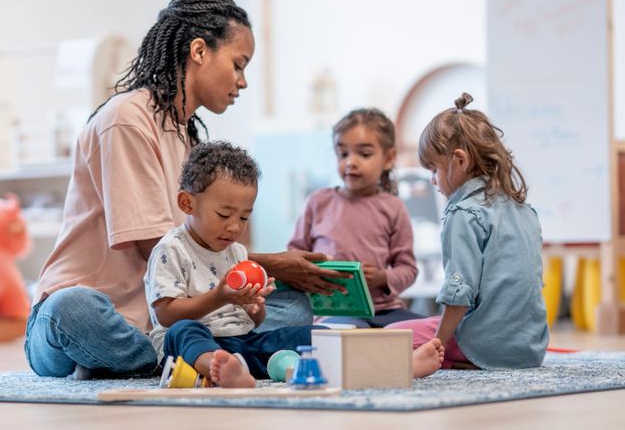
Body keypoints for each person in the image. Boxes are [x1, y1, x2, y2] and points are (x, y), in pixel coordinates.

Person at [24, 0, 348, 380]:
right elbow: (157, 247)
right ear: (199, 51)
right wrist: (269, 262)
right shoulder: (126, 119)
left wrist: (259, 281)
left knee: (292, 303)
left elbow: (204, 247)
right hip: (99, 314)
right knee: (71, 310)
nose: (242, 81)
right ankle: (183, 352)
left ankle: (178, 353)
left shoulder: (189, 137)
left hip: (169, 316)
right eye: (238, 64)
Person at [147, 141, 444, 387]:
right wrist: (220, 296)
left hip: (242, 343)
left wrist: (255, 307)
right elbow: (166, 315)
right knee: (184, 330)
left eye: (244, 217)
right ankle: (217, 369)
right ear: (187, 204)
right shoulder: (171, 249)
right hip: (191, 349)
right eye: (224, 215)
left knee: (309, 335)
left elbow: (253, 323)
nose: (235, 227)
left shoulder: (235, 251)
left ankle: (395, 365)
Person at [386, 93, 549, 370]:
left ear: (459, 160)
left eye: (434, 169)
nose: (432, 180)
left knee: (390, 337)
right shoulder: (525, 211)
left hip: (485, 345)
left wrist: (435, 346)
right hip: (530, 347)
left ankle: (457, 359)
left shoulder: (463, 213)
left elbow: (459, 294)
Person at [287, 108, 422, 328]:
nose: (351, 162)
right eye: (343, 154)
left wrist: (382, 277)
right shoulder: (317, 202)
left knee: (435, 331)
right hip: (333, 310)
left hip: (386, 310)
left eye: (364, 154)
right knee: (351, 335)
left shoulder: (394, 207)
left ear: (389, 159)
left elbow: (408, 269)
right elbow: (294, 255)